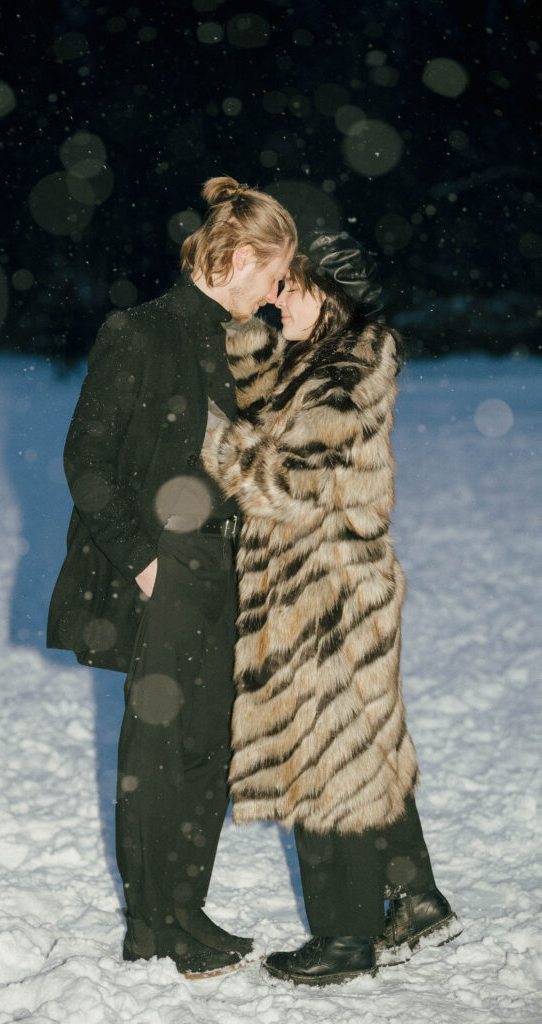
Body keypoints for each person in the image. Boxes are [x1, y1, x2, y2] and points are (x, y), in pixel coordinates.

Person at [47, 176, 296, 977]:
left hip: (226, 563)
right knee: (157, 750)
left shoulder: (243, 342)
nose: (275, 291)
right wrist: (145, 562)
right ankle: (153, 924)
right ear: (239, 255)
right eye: (273, 273)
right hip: (166, 562)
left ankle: (183, 910)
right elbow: (85, 461)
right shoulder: (140, 332)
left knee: (206, 750)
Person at [201, 232, 462, 987]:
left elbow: (284, 486)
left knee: (325, 763)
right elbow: (274, 410)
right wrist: (250, 343)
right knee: (364, 745)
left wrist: (214, 444)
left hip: (324, 596)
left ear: (333, 294)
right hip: (334, 586)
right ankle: (415, 899)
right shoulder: (324, 360)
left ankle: (343, 939)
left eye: (292, 285)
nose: (279, 296)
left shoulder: (343, 377)